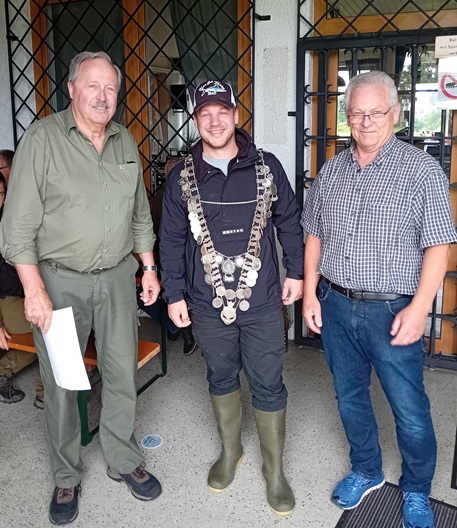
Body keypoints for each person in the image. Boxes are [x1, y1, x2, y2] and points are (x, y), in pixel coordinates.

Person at [0, 51, 162, 526]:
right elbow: (16, 227)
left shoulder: (124, 139)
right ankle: (66, 475)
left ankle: (122, 457)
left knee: (121, 372)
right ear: (71, 89)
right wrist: (34, 289)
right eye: (93, 85)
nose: (102, 96)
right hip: (59, 282)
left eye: (111, 88)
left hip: (116, 279)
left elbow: (139, 214)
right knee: (63, 382)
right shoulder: (42, 139)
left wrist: (148, 268)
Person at [301, 71, 456, 528]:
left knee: (409, 409)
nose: (365, 121)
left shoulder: (421, 170)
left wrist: (420, 307)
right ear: (347, 117)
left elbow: (439, 245)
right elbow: (314, 235)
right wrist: (309, 294)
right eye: (357, 113)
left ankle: (416, 489)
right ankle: (367, 469)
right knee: (349, 397)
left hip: (393, 310)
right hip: (335, 303)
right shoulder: (332, 171)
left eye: (376, 112)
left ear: (396, 113)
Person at [159, 80, 304, 515]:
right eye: (205, 113)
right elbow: (171, 239)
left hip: (262, 302)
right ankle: (230, 452)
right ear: (196, 120)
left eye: (222, 111)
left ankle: (274, 471)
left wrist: (297, 272)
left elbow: (289, 220)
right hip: (206, 303)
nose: (215, 120)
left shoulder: (266, 168)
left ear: (236, 116)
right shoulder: (182, 176)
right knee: (220, 376)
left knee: (268, 381)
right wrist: (174, 294)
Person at [139, 157, 197, 355]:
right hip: (170, 253)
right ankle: (177, 326)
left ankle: (177, 326)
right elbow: (161, 231)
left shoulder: (190, 192)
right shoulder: (167, 196)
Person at [0, 162, 44, 408]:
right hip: (7, 302)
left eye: (0, 193)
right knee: (50, 328)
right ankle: (47, 392)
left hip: (25, 294)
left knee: (40, 336)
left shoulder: (10, 221)